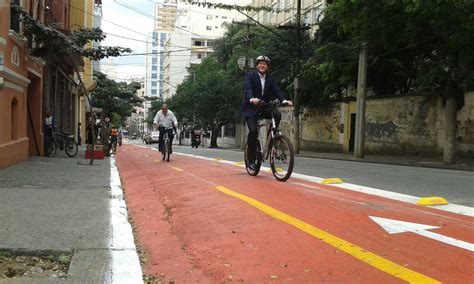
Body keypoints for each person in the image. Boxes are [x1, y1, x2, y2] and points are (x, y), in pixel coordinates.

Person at [241, 55, 293, 170]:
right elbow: (248, 89)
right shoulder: (250, 76)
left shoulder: (270, 78)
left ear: (267, 66)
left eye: (264, 64)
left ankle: (271, 140)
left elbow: (277, 90)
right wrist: (251, 99)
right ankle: (251, 159)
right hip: (251, 108)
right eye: (260, 63)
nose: (262, 65)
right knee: (253, 131)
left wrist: (284, 100)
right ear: (257, 65)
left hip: (263, 106)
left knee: (277, 114)